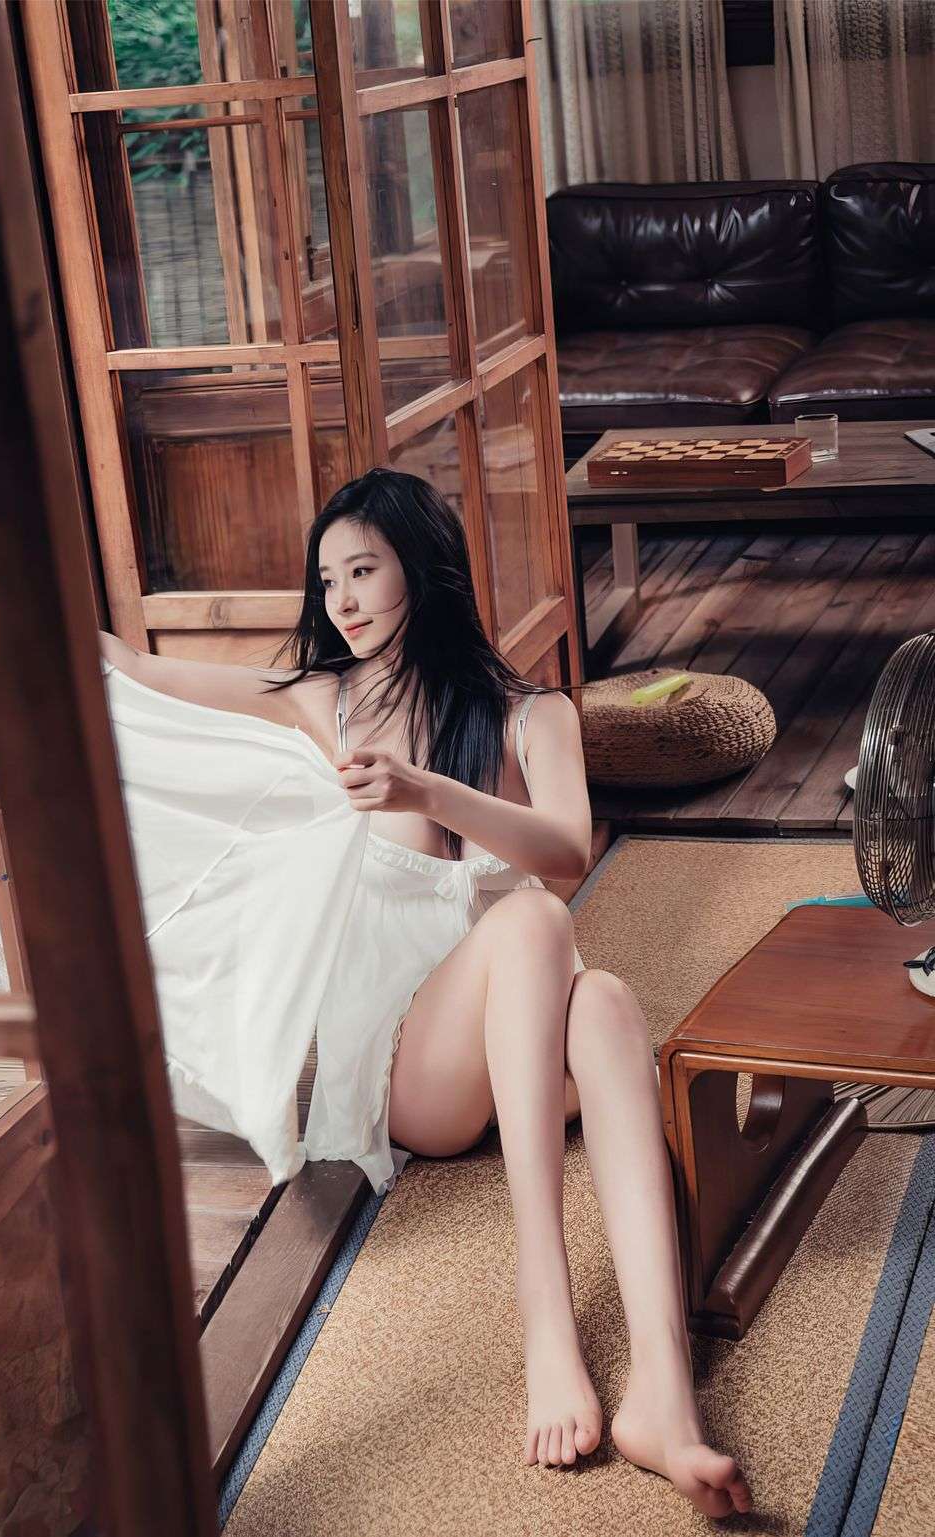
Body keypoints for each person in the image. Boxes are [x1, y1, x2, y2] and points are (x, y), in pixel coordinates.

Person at [98, 468, 751, 1517]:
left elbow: (566, 850)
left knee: (607, 1001)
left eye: (363, 571)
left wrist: (424, 789)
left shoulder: (534, 713)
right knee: (531, 924)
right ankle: (546, 1312)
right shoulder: (325, 700)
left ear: (424, 568)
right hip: (419, 1070)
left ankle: (664, 1395)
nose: (342, 601)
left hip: (528, 1052)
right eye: (327, 580)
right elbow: (131, 669)